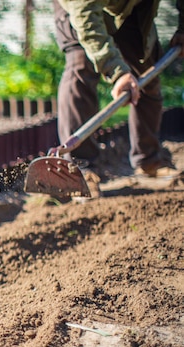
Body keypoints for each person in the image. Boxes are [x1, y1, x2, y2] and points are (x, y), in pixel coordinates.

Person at [53, 0, 184, 199]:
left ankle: (149, 160)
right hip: (81, 7)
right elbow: (84, 16)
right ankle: (80, 169)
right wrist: (117, 72)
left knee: (146, 63)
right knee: (81, 65)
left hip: (130, 6)